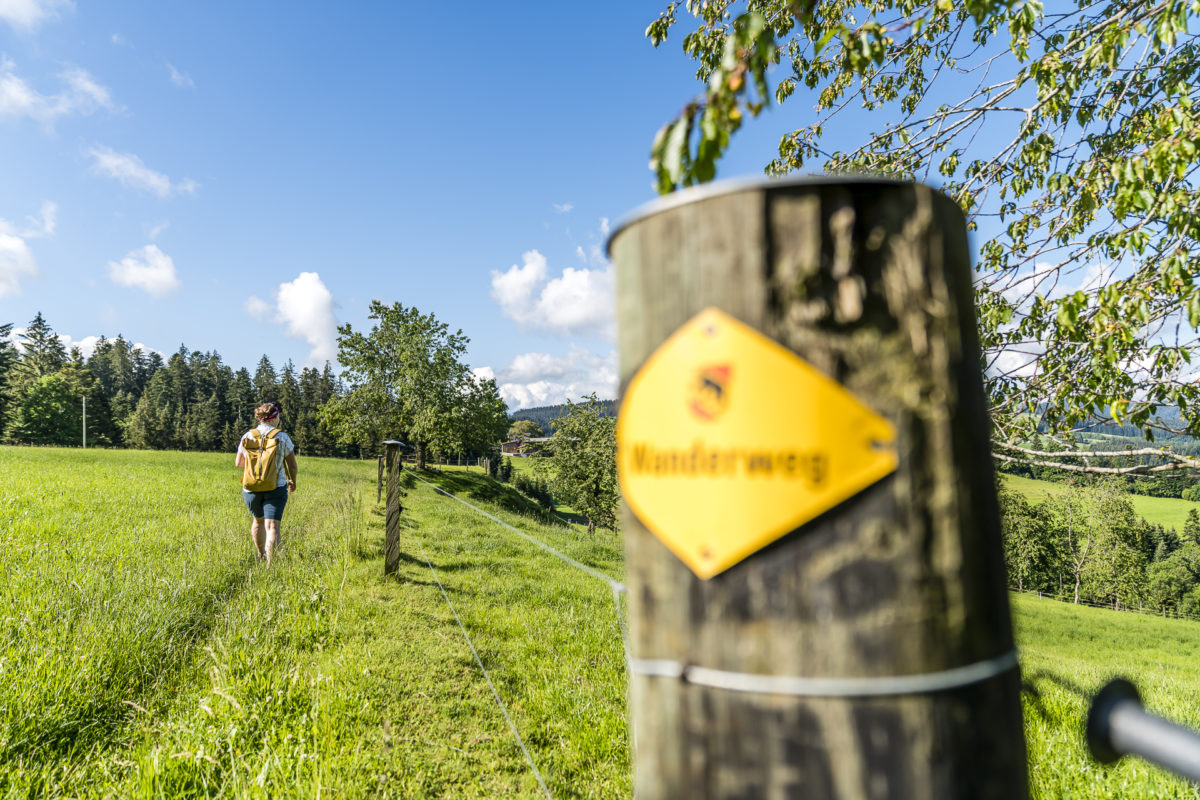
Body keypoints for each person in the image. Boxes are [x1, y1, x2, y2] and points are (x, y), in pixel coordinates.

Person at [234, 401, 298, 565]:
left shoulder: (248, 436)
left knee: (258, 521)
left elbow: (239, 463)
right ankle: (271, 565)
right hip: (275, 487)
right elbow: (292, 465)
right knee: (272, 526)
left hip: (251, 488)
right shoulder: (282, 437)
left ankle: (260, 554)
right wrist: (293, 480)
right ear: (274, 417)